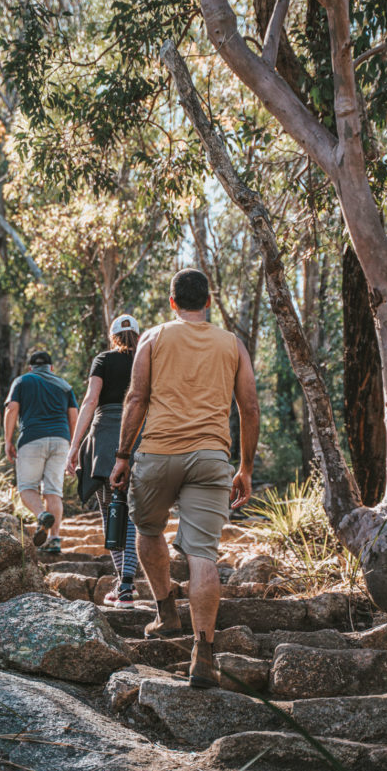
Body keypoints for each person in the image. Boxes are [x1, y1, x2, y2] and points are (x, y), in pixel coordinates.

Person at [110, 268, 260, 689]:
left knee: (147, 528)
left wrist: (122, 456)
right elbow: (249, 407)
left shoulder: (154, 337)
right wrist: (245, 468)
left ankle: (165, 611)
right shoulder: (232, 344)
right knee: (203, 556)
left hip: (157, 452)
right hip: (212, 457)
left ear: (172, 302)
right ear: (207, 302)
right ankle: (204, 655)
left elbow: (137, 397)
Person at [66, 314, 140, 608]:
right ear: (137, 334)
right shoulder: (147, 359)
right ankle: (126, 585)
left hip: (105, 438)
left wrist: (75, 446)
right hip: (139, 436)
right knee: (131, 512)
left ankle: (123, 587)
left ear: (113, 337)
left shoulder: (103, 359)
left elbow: (90, 400)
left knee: (111, 510)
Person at [4, 349, 78, 552]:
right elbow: (74, 416)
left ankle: (41, 515)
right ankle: (54, 539)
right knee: (53, 491)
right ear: (51, 368)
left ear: (31, 368)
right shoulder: (64, 386)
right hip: (61, 440)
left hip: (32, 439)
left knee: (27, 487)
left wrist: (7, 440)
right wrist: (74, 445)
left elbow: (11, 409)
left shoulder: (22, 381)